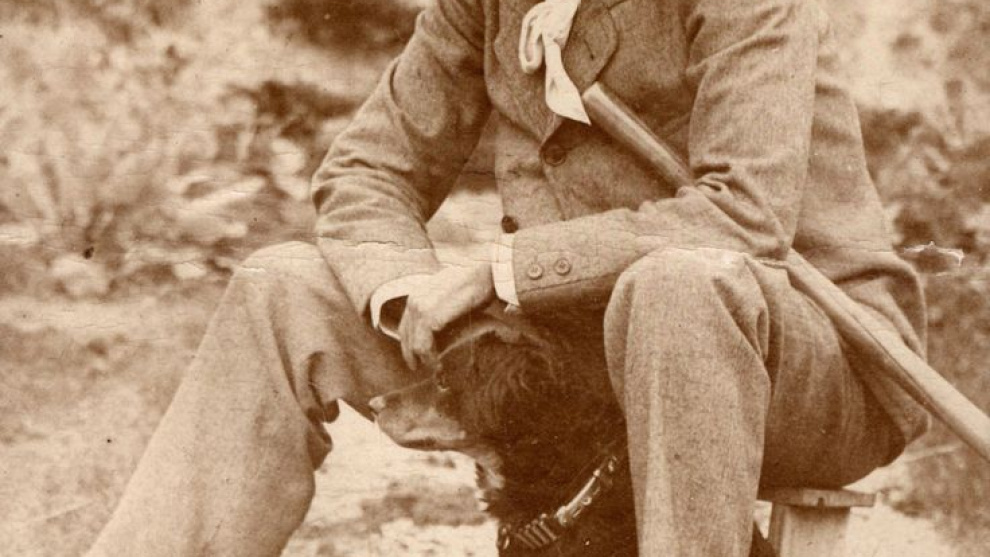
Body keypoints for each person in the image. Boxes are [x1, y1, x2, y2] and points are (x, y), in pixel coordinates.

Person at [87, 0, 930, 555]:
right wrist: (407, 297)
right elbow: (367, 170)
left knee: (676, 287)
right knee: (283, 286)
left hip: (802, 356)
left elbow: (741, 218)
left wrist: (502, 272)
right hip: (573, 346)